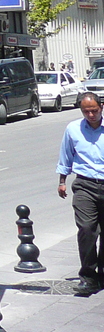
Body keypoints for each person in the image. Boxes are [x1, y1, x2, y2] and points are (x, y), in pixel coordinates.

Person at [57, 92, 104, 296]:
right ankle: (88, 276)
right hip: (85, 185)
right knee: (87, 229)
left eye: (94, 110)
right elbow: (66, 155)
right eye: (86, 111)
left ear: (101, 107)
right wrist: (62, 181)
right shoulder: (73, 129)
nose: (91, 115)